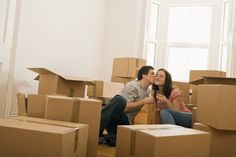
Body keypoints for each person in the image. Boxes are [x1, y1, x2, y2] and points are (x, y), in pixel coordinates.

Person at [99, 65, 155, 146]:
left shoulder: (147, 90)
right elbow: (124, 109)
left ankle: (107, 138)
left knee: (124, 142)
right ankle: (97, 131)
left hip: (124, 122)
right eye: (152, 73)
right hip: (116, 118)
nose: (154, 76)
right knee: (120, 99)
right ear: (144, 75)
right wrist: (143, 101)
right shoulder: (133, 86)